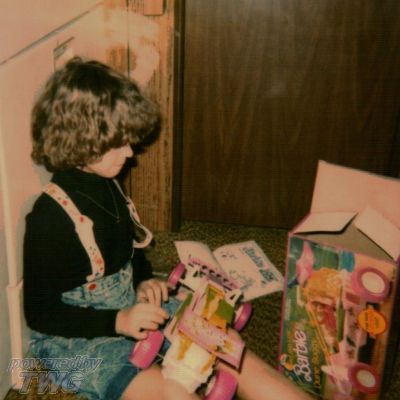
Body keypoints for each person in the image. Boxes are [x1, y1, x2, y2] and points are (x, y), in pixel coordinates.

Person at [23, 57, 312, 400]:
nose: (130, 152)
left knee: (229, 347)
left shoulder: (107, 180)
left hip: (131, 307)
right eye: (118, 143)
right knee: (168, 388)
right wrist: (117, 321)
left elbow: (127, 252)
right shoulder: (49, 218)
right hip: (74, 341)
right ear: (80, 139)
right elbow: (39, 313)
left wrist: (143, 280)